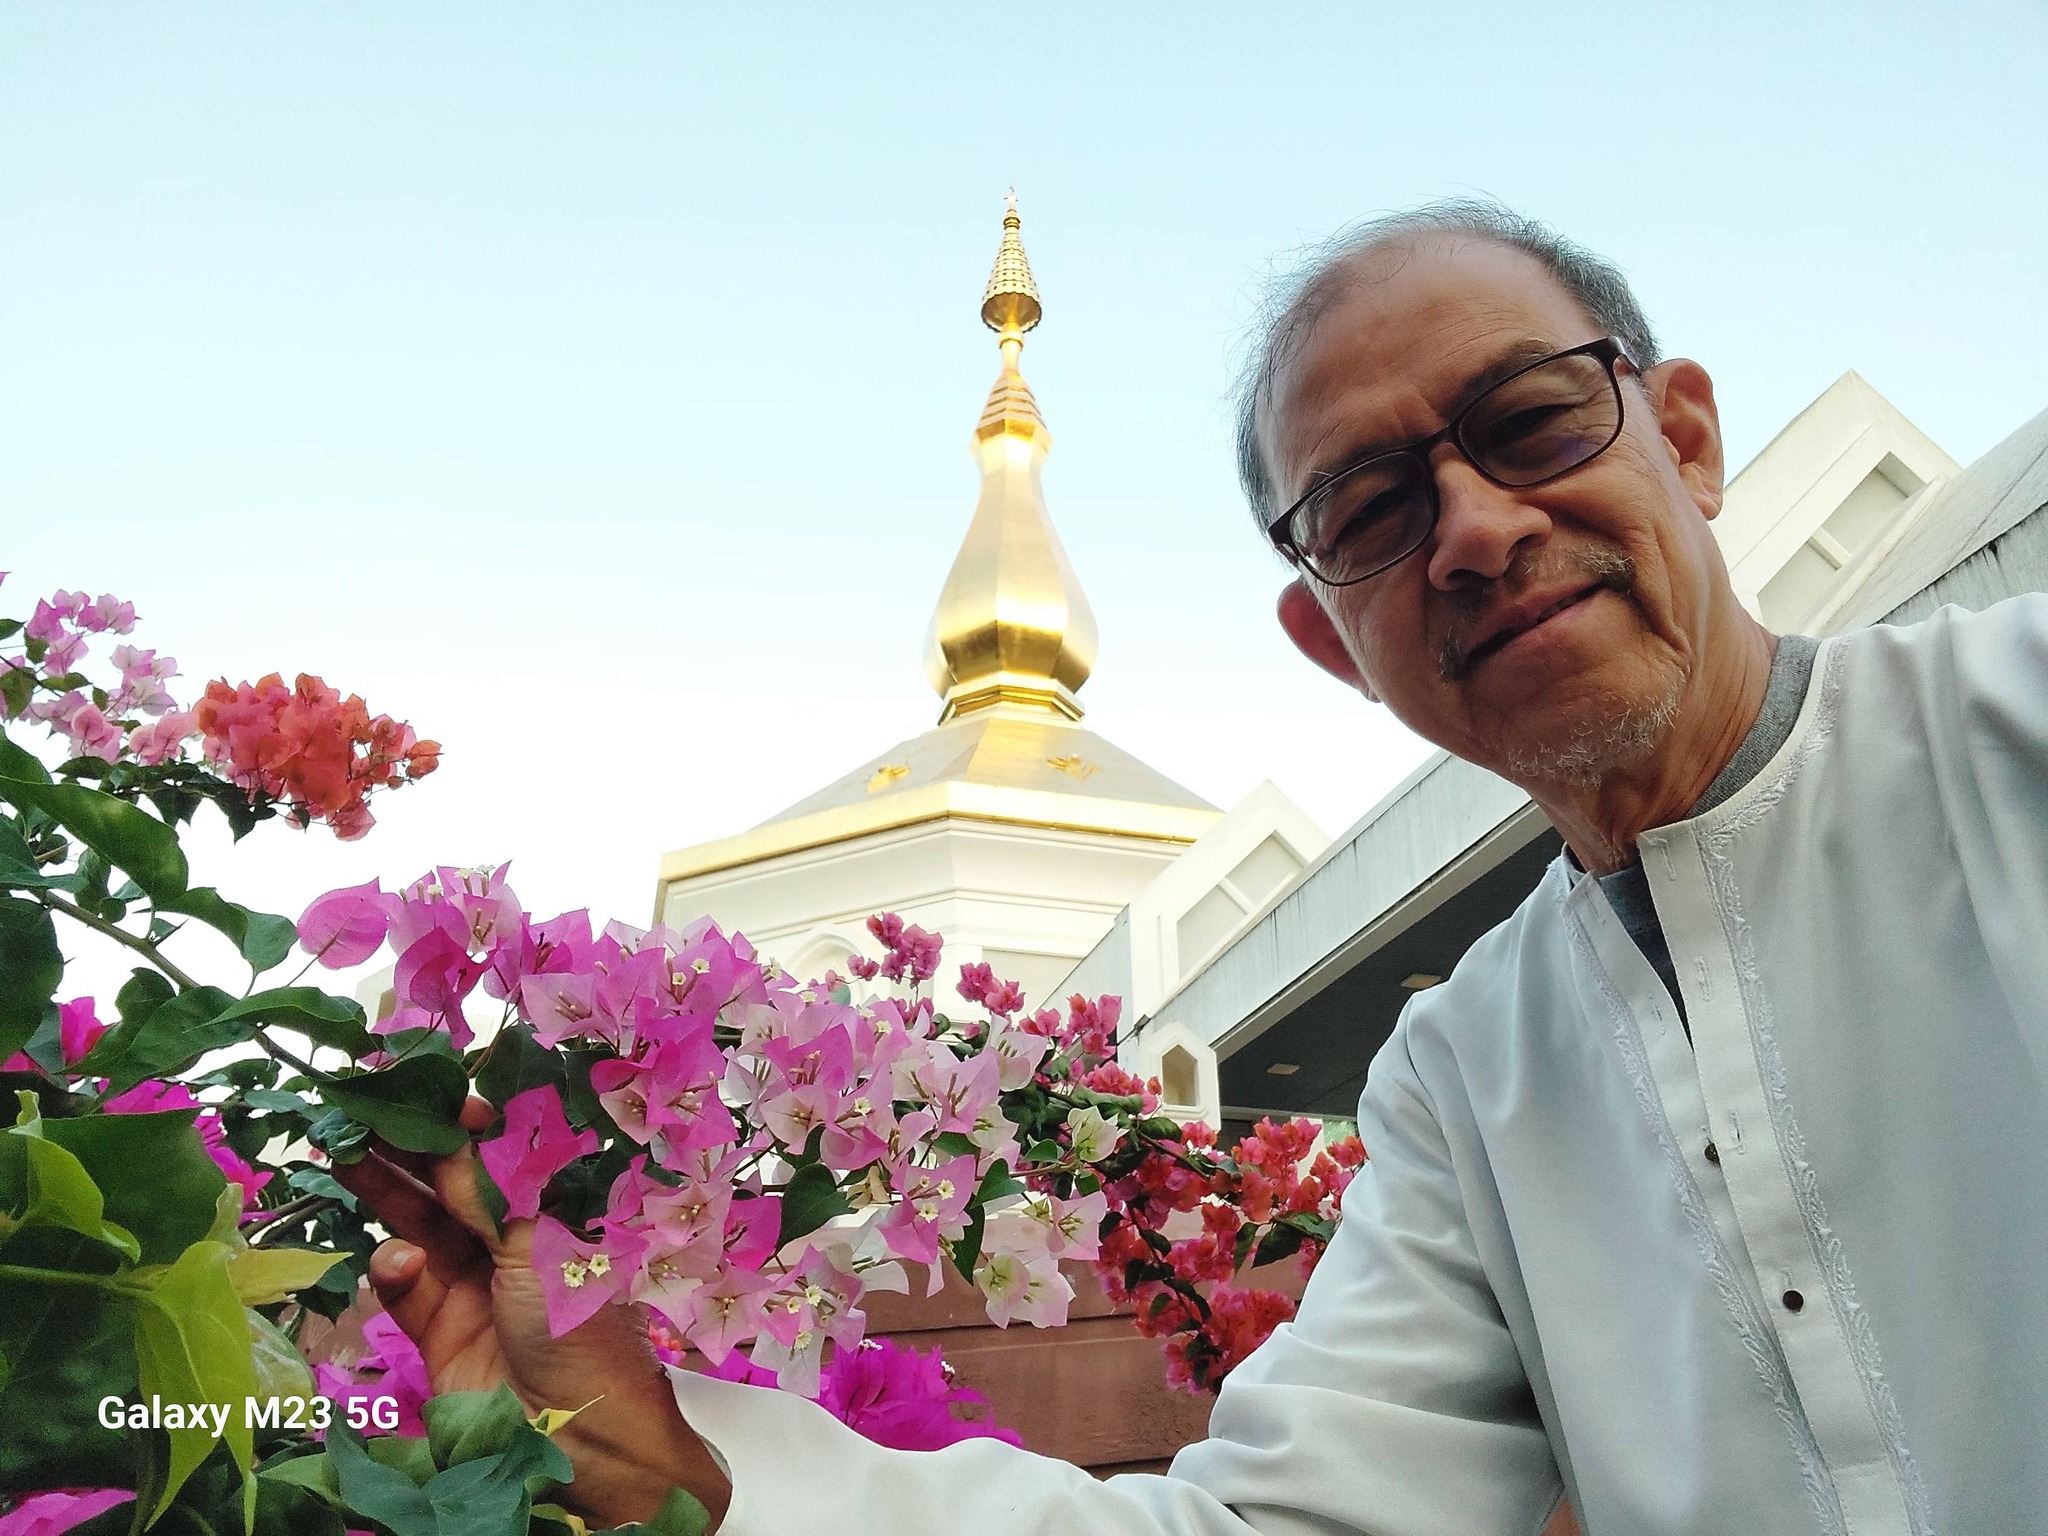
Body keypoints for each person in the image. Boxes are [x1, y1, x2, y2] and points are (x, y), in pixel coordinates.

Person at [338, 200, 2048, 1535]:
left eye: (1533, 422)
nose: (1475, 530)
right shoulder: (1473, 1072)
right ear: (1331, 641)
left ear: (1685, 439)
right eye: (1372, 511)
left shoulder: (2014, 730)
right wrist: (686, 1468)